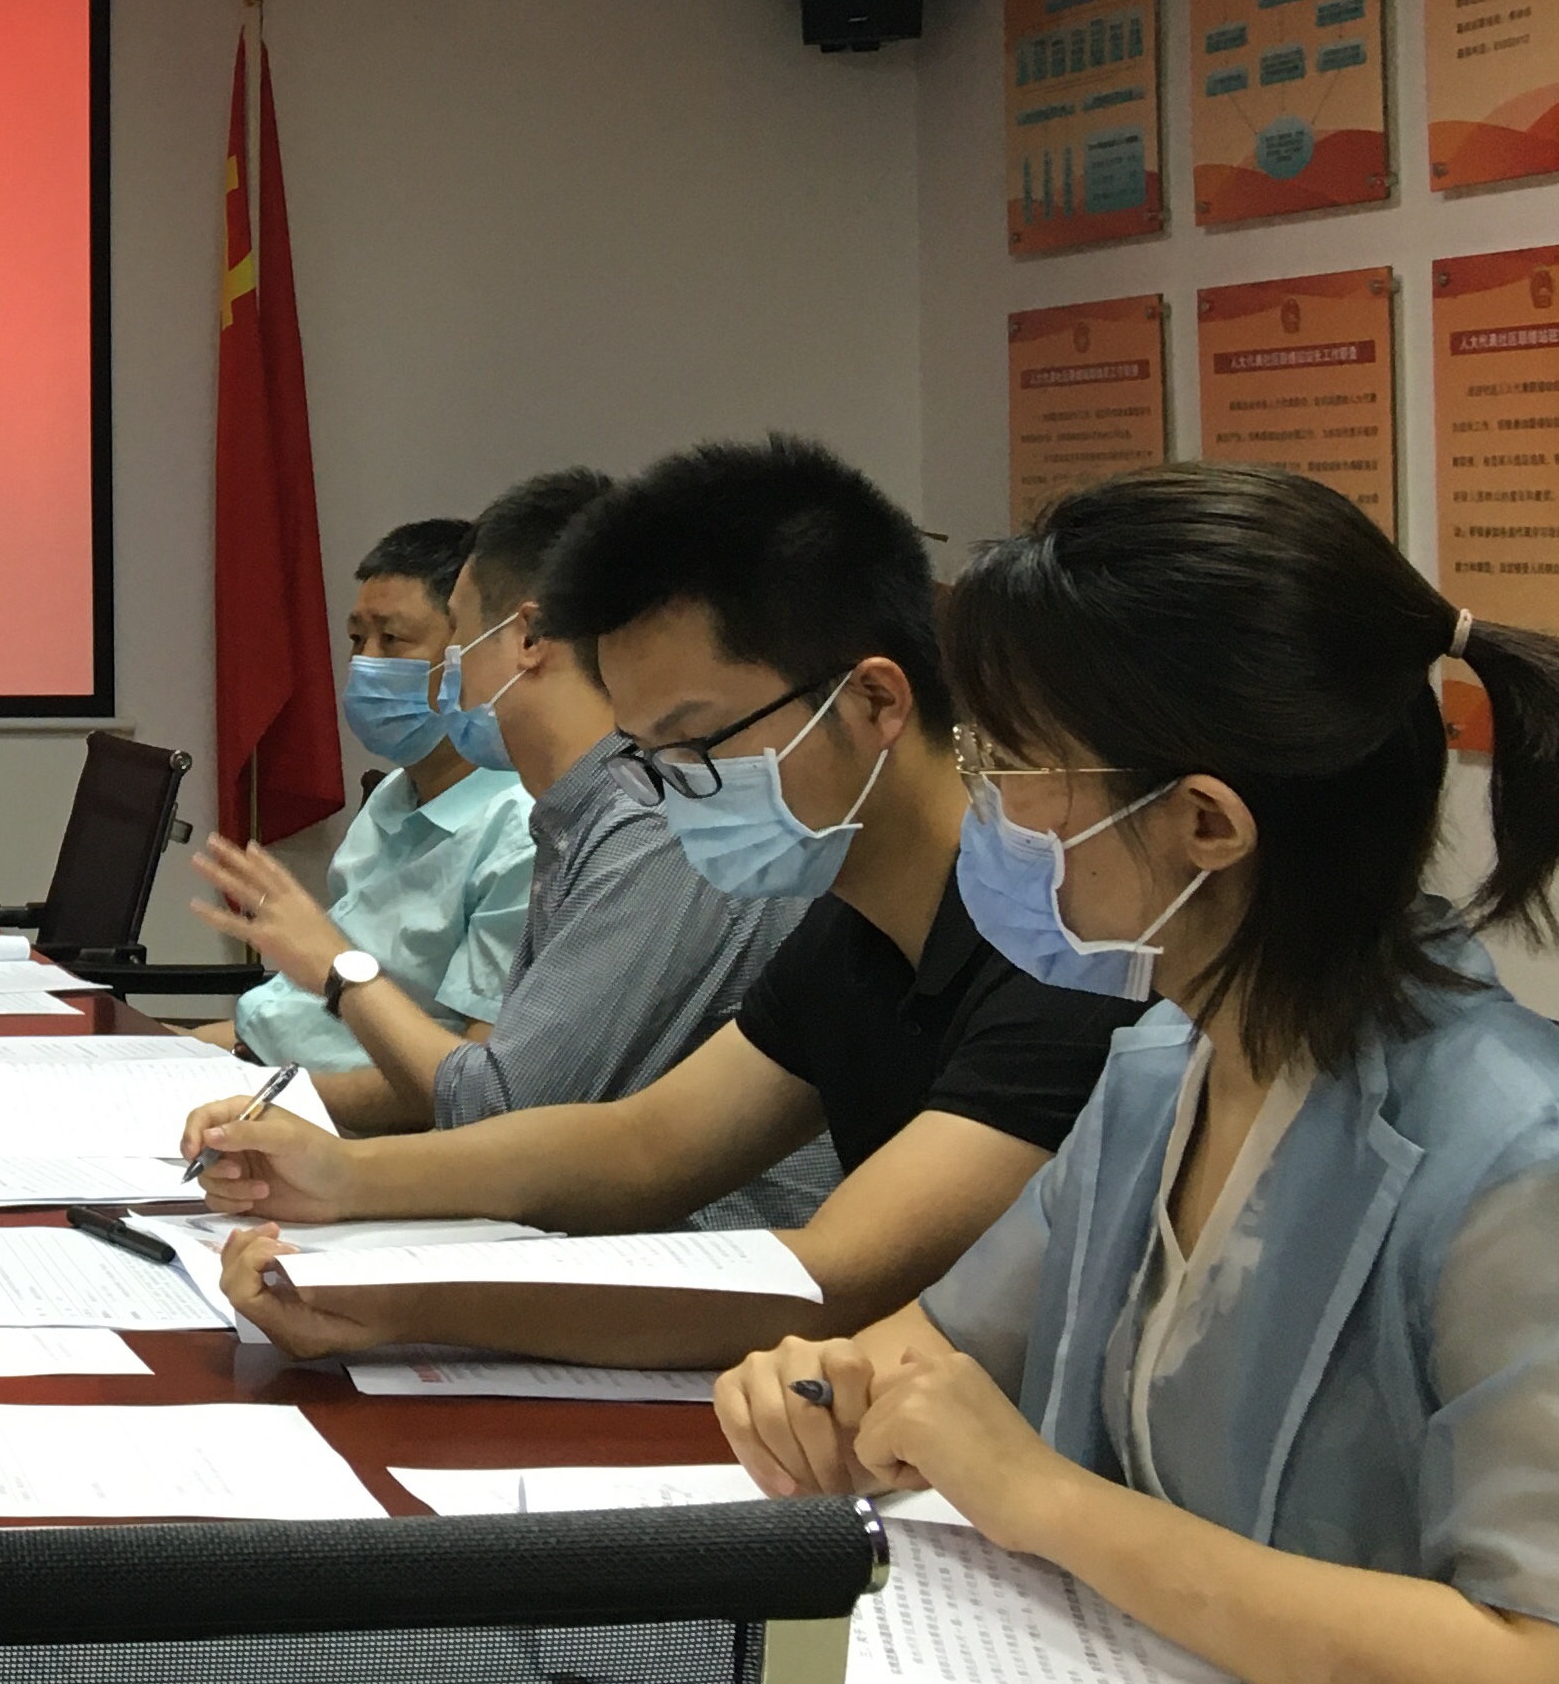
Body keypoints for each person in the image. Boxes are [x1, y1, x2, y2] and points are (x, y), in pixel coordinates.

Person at [719, 464, 1559, 1684]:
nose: (983, 810)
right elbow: (927, 1356)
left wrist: (1048, 1500)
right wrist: (814, 1390)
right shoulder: (1164, 1064)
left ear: (1205, 823)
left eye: (1011, 768)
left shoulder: (1521, 1156)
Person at [188, 436, 1138, 1368]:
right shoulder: (855, 921)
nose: (673, 788)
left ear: (874, 702)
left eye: (698, 742)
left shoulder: (1064, 941)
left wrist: (399, 1300)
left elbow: (834, 1277)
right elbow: (645, 1146)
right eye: (649, 751)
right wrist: (343, 1175)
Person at [196, 472, 831, 1210]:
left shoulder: (651, 822)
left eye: (459, 641)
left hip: (691, 1251)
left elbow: (498, 1109)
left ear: (528, 638)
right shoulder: (576, 812)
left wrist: (340, 971)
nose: (450, 678)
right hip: (580, 1224)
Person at [192, 517, 532, 1131]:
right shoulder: (397, 792)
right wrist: (169, 1056)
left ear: (476, 648)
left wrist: (243, 1100)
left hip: (325, 1129)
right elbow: (298, 1019)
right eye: (356, 639)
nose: (365, 664)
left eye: (392, 639)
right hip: (260, 1075)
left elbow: (468, 1093)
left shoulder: (522, 831)